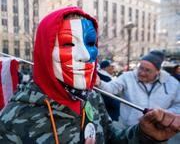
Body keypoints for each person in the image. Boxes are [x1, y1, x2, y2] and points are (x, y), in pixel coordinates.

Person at [0, 7, 180, 144]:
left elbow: (110, 139)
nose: (86, 55)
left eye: (90, 42)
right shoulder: (11, 121)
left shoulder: (91, 96)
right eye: (69, 43)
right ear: (43, 52)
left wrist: (144, 134)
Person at [96, 50, 180, 143]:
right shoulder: (127, 77)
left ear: (157, 71)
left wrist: (163, 115)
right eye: (141, 68)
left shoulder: (172, 83)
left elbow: (178, 105)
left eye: (147, 70)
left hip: (157, 132)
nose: (142, 73)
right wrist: (99, 83)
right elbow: (112, 88)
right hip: (128, 130)